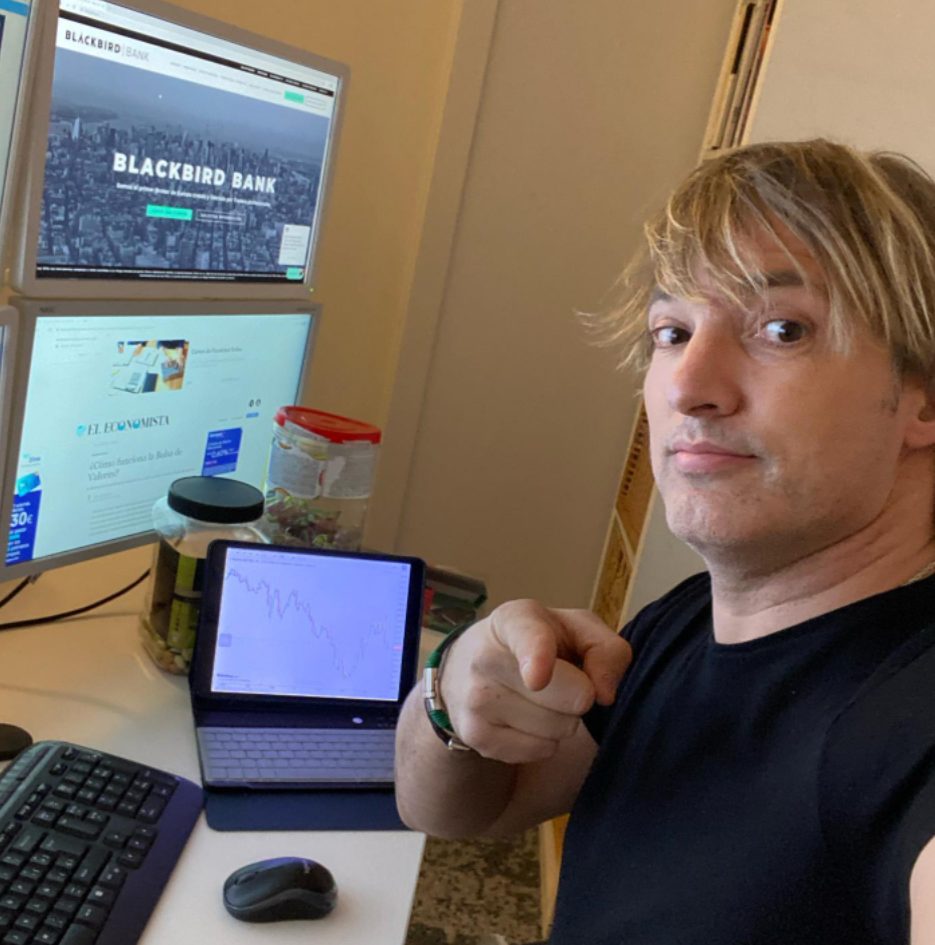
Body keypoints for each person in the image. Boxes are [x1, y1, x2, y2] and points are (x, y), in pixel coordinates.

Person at [394, 138, 935, 944]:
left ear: (923, 399)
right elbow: (463, 811)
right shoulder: (682, 622)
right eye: (672, 330)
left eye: (782, 328)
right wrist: (453, 691)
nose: (686, 385)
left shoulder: (909, 723)